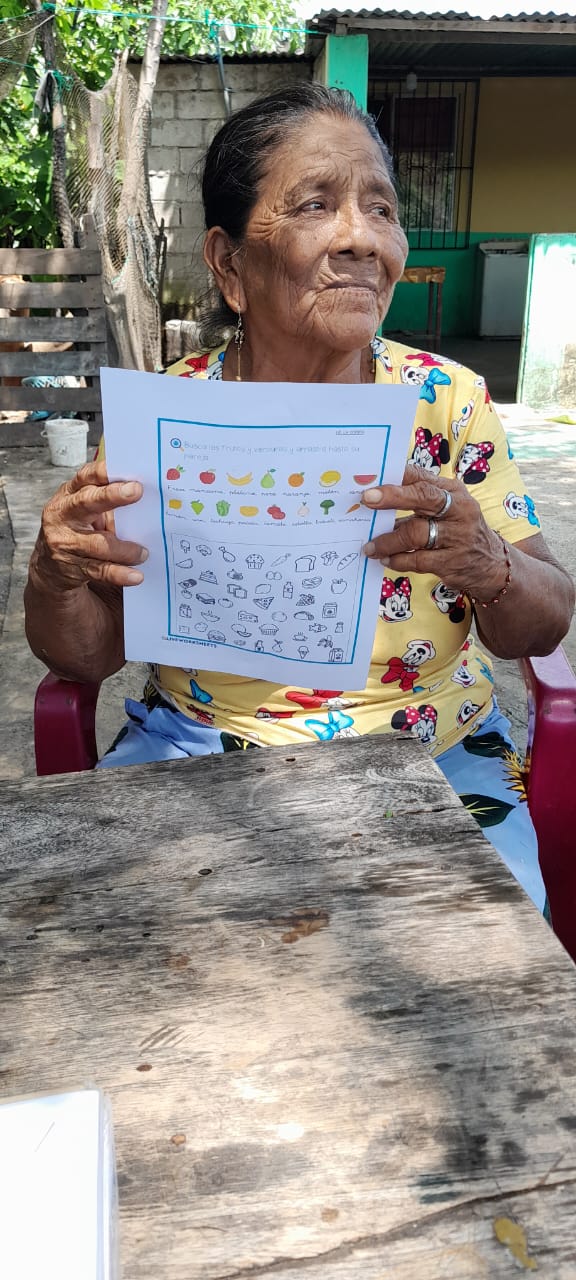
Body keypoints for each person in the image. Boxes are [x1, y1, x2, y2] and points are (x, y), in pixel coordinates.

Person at [25, 84, 573, 914]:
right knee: (101, 939)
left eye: (382, 210)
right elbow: (85, 658)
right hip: (197, 749)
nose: (362, 238)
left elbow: (543, 623)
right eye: (316, 205)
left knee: (489, 965)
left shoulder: (448, 403)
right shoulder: (165, 416)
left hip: (430, 751)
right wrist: (55, 573)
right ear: (229, 264)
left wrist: (488, 564)